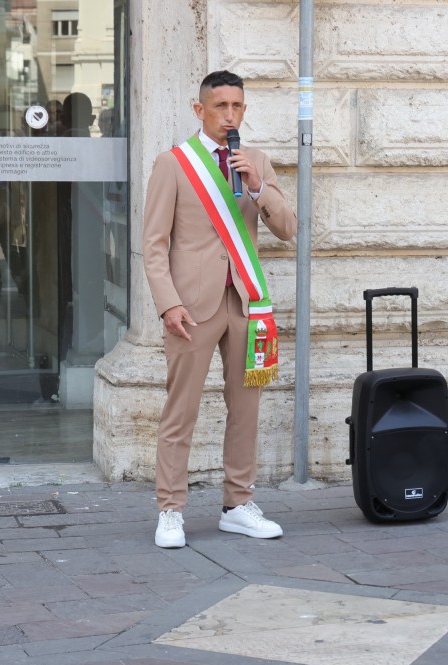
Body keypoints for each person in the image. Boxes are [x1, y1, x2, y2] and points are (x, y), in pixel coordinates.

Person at [143, 70, 297, 548]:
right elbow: (153, 245)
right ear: (200, 110)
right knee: (180, 412)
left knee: (246, 409)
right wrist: (168, 303)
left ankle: (237, 503)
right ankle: (170, 509)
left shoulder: (257, 162)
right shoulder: (173, 164)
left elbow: (288, 228)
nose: (229, 115)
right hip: (191, 308)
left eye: (237, 107)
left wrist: (257, 187)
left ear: (244, 111)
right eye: (220, 107)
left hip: (247, 305)